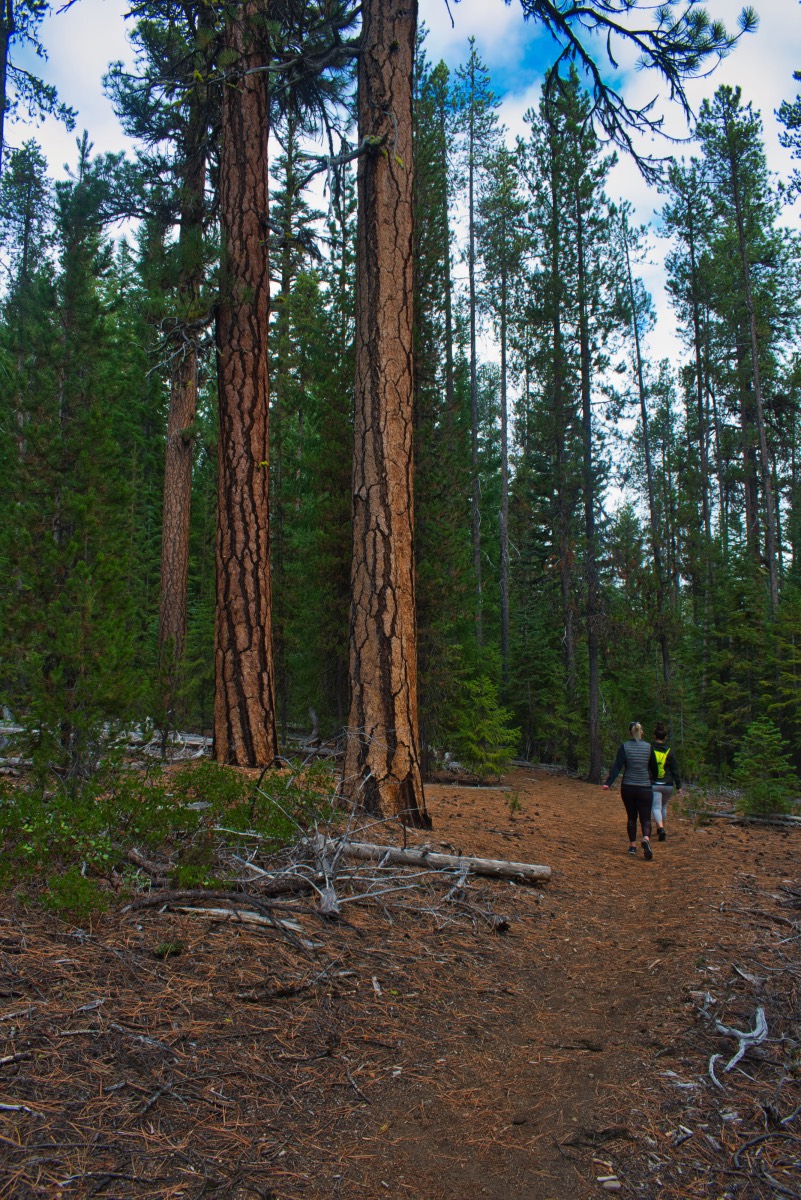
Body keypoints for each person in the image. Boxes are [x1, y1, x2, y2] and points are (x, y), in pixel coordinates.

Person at [603, 721, 658, 859]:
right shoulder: (648, 747)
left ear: (630, 733)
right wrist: (653, 780)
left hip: (628, 787)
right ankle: (645, 838)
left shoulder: (624, 747)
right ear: (641, 732)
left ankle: (632, 846)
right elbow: (654, 768)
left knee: (632, 817)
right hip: (645, 787)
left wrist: (608, 783)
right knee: (646, 818)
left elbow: (617, 767)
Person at [651, 721, 682, 841]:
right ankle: (662, 828)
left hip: (655, 783)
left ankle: (660, 828)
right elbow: (675, 769)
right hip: (668, 784)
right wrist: (679, 785)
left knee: (655, 807)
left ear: (654, 736)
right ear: (665, 737)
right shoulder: (669, 751)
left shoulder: (650, 748)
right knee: (663, 806)